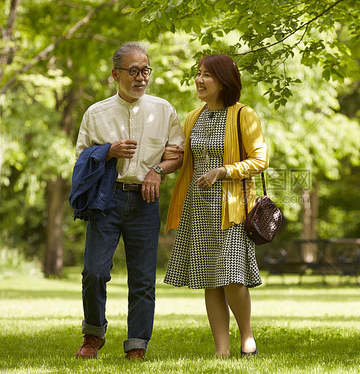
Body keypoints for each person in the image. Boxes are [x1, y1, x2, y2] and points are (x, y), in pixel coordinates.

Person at [73, 41, 184, 361]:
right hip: (105, 201)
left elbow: (175, 154)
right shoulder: (96, 113)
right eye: (133, 71)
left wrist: (157, 171)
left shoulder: (163, 110)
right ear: (116, 74)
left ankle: (137, 344)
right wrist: (109, 151)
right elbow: (81, 160)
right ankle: (93, 334)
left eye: (145, 70)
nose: (141, 77)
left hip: (145, 202)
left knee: (143, 278)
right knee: (94, 271)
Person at [163, 54, 268, 357]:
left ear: (224, 82)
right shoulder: (193, 117)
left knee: (232, 277)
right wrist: (167, 158)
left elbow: (260, 160)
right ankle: (221, 350)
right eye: (198, 73)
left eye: (207, 75)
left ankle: (246, 337)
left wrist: (224, 171)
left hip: (233, 208)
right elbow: (186, 157)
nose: (199, 79)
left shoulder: (243, 114)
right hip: (198, 208)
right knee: (211, 278)